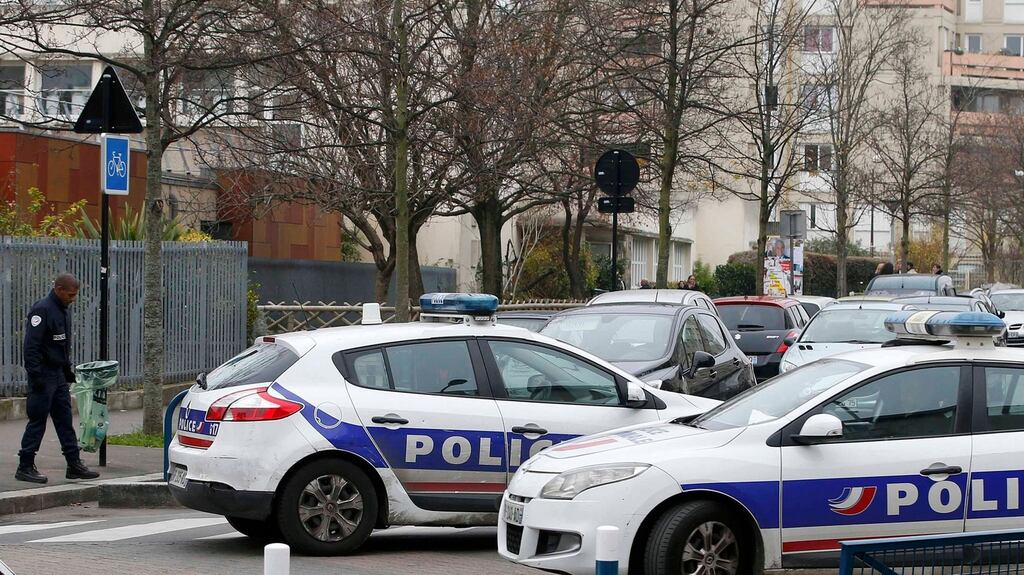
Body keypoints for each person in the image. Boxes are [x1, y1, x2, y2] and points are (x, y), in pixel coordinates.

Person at [16, 273, 99, 484]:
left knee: (64, 420)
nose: (73, 298)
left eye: (75, 295)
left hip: (58, 374)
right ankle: (25, 465)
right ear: (58, 289)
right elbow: (31, 347)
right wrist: (36, 376)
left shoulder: (63, 309)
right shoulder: (42, 310)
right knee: (37, 421)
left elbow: (60, 345)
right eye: (70, 294)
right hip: (43, 375)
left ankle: (74, 464)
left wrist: (66, 370)